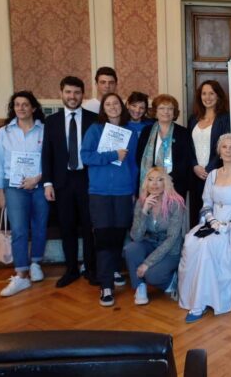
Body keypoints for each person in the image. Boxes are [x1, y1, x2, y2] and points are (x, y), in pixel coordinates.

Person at [178, 134, 231, 322]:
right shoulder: (212, 174)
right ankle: (191, 296)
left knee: (208, 246)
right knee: (191, 241)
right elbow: (206, 203)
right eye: (224, 147)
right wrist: (211, 220)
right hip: (212, 223)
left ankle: (201, 304)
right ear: (219, 151)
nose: (228, 151)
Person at [80, 93, 138, 307]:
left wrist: (134, 189)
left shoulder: (130, 132)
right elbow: (86, 156)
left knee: (119, 233)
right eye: (108, 104)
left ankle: (113, 269)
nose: (113, 107)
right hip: (100, 192)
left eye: (116, 103)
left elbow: (133, 164)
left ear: (121, 107)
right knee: (104, 236)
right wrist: (113, 155)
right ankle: (105, 286)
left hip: (124, 191)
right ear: (103, 108)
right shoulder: (95, 130)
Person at [0, 91, 49, 297]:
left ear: (33, 108)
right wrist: (1, 192)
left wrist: (38, 178)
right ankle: (21, 273)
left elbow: (51, 159)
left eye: (25, 104)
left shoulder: (44, 130)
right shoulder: (4, 132)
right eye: (17, 104)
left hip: (39, 185)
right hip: (13, 187)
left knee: (40, 225)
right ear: (13, 108)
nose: (21, 108)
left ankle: (36, 263)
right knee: (19, 229)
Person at [42, 76, 97, 288]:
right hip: (62, 182)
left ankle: (91, 269)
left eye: (76, 92)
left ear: (83, 94)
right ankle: (71, 269)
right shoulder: (51, 121)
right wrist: (47, 183)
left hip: (87, 180)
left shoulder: (94, 119)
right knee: (67, 227)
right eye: (68, 92)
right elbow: (47, 154)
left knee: (89, 226)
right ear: (61, 93)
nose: (72, 96)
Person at [124, 167, 185, 305]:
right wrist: (144, 211)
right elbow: (136, 237)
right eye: (150, 180)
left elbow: (172, 239)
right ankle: (140, 287)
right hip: (150, 242)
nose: (154, 184)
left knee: (152, 276)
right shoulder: (141, 202)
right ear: (146, 183)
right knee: (131, 249)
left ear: (166, 183)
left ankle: (172, 279)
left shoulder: (176, 203)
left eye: (160, 180)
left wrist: (147, 263)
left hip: (170, 249)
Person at [188, 80, 231, 226]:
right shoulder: (193, 119)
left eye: (211, 93)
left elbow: (224, 146)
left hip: (215, 174)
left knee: (214, 214)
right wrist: (194, 166)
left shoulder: (225, 118)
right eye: (204, 93)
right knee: (196, 213)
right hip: (195, 175)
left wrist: (209, 169)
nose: (207, 97)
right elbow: (189, 146)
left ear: (218, 96)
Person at [137, 94, 194, 200]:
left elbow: (186, 161)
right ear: (155, 111)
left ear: (174, 112)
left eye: (170, 109)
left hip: (175, 185)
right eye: (162, 108)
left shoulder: (183, 133)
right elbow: (139, 157)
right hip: (151, 185)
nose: (166, 112)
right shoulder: (146, 131)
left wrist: (167, 181)